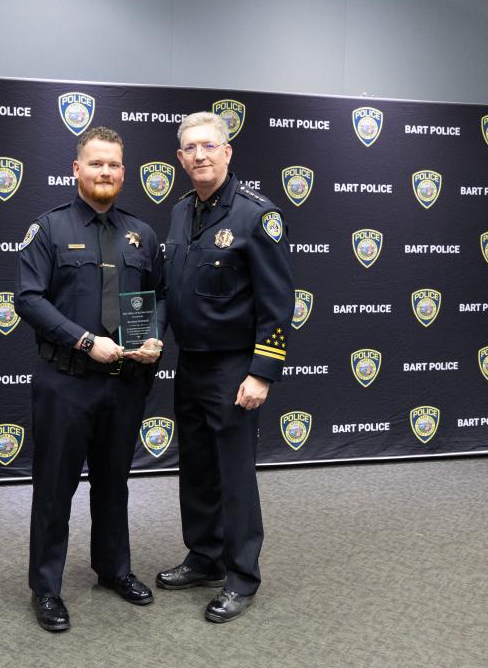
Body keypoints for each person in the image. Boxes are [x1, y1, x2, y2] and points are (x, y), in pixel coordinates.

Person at [14, 126, 164, 632]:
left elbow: (159, 297)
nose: (105, 172)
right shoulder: (49, 229)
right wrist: (83, 340)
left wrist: (154, 336)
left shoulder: (141, 233)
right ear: (76, 168)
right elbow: (28, 299)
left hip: (123, 383)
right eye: (96, 163)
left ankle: (113, 569)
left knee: (114, 484)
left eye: (114, 165)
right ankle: (47, 587)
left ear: (124, 172)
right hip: (67, 381)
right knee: (54, 489)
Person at [156, 112, 294, 623]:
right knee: (195, 467)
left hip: (235, 367)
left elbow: (279, 302)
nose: (200, 156)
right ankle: (205, 555)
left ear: (228, 152)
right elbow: (170, 287)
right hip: (190, 363)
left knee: (234, 475)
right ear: (180, 158)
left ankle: (241, 576)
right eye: (191, 148)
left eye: (210, 146)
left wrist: (262, 371)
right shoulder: (179, 212)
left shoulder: (257, 215)